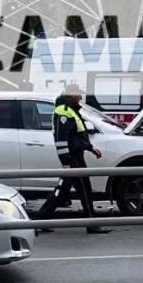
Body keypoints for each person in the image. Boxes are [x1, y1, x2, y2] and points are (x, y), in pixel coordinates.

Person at [33, 84, 109, 234]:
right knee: (85, 190)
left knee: (62, 192)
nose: (80, 97)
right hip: (73, 157)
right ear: (69, 95)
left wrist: (91, 148)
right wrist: (66, 160)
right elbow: (61, 138)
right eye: (77, 95)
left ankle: (38, 221)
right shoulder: (63, 111)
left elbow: (77, 136)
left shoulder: (71, 110)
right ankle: (92, 225)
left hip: (75, 155)